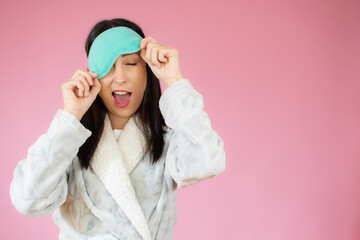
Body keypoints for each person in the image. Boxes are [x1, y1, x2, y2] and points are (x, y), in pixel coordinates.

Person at [9, 18, 226, 240]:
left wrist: (174, 80)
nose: (120, 78)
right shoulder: (70, 143)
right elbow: (27, 199)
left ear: (148, 71)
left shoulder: (168, 140)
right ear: (92, 74)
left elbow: (208, 163)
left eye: (131, 64)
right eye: (108, 66)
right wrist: (71, 117)